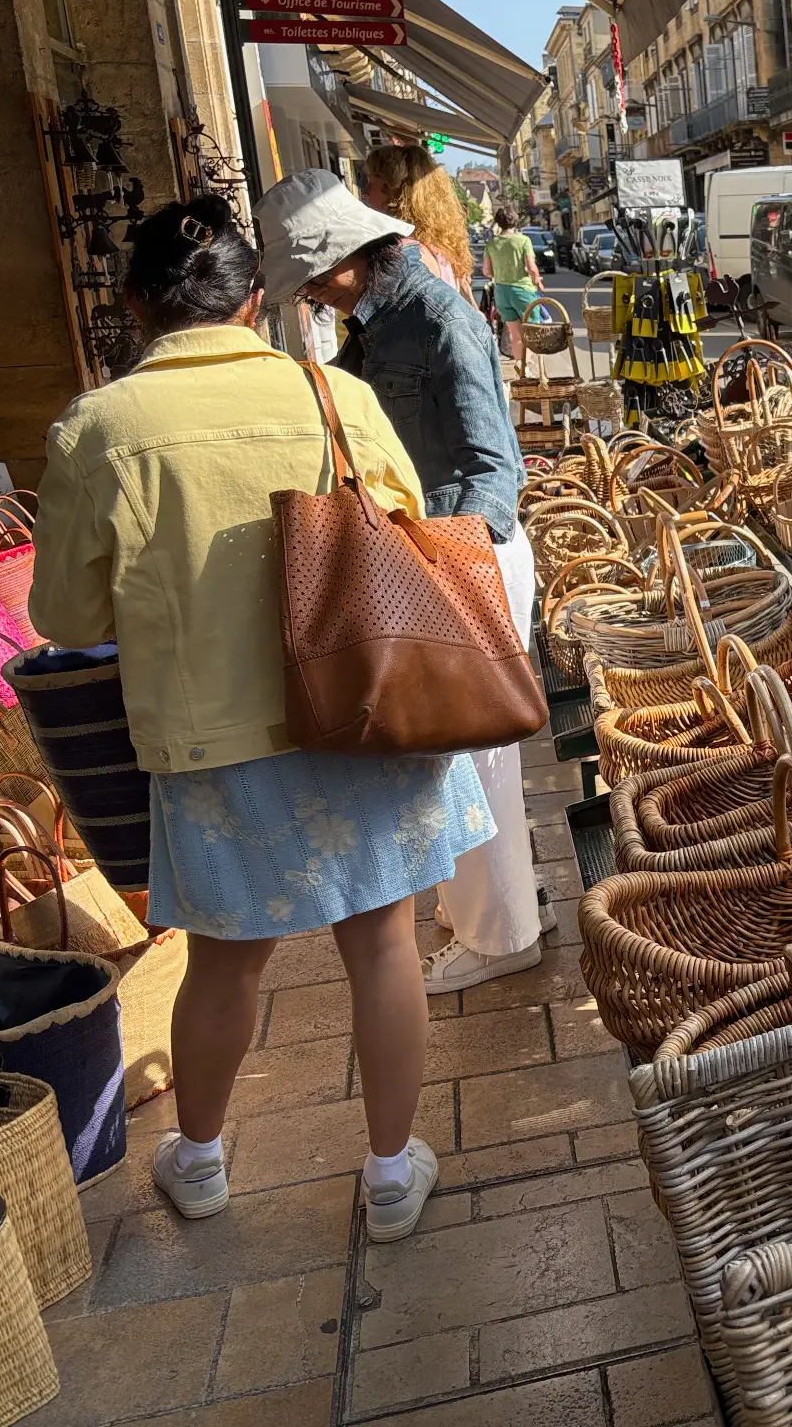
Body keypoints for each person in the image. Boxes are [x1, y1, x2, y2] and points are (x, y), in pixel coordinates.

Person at [29, 196, 486, 1239]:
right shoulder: (333, 396)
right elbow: (410, 526)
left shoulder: (98, 429)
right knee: (384, 947)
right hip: (362, 711)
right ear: (250, 298)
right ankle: (385, 1176)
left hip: (211, 738)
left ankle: (198, 1160)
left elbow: (65, 614)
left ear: (138, 306)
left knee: (225, 958)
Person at [257, 170, 547, 997]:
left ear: (352, 254)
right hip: (441, 557)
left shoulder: (436, 317)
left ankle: (502, 937)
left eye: (314, 272)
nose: (309, 289)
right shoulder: (374, 327)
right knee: (463, 752)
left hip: (463, 557)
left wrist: (438, 562)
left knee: (468, 755)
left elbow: (495, 470)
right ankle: (502, 912)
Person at [363, 144, 474, 299]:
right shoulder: (436, 244)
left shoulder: (406, 252)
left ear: (392, 189)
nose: (365, 192)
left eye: (370, 182)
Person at [483, 204, 546, 366]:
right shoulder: (523, 240)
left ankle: (520, 365)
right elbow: (532, 268)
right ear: (515, 221)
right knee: (531, 332)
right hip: (523, 291)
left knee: (515, 335)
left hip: (502, 292)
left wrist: (501, 273)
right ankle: (529, 366)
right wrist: (537, 280)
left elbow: (486, 271)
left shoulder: (492, 243)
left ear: (498, 222)